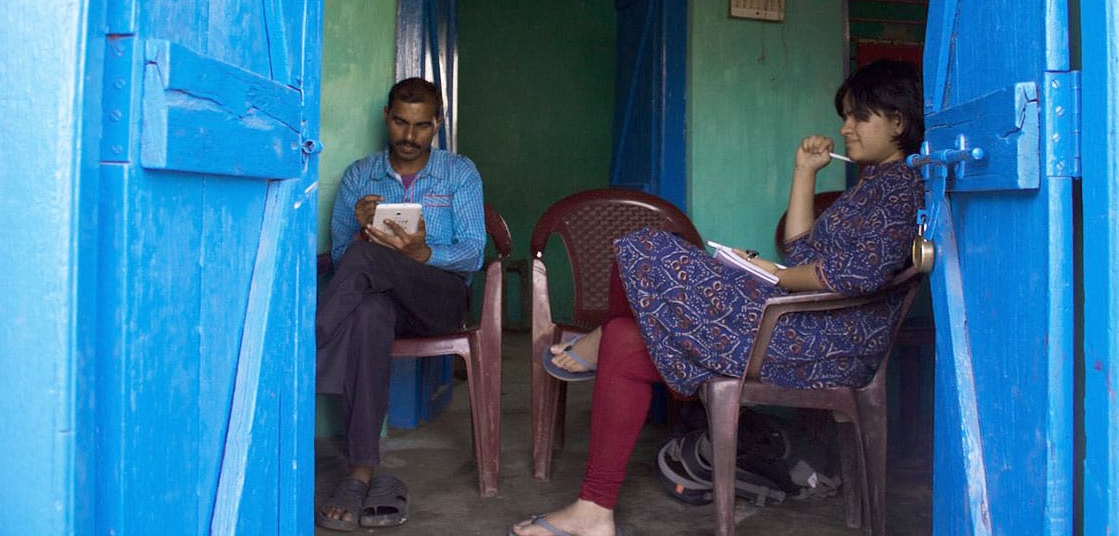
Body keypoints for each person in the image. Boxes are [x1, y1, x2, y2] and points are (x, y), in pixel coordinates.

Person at [513, 59, 924, 536]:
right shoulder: (874, 185)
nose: (844, 127)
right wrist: (803, 172)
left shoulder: (904, 189)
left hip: (819, 344)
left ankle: (600, 338)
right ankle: (594, 511)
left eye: (858, 117)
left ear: (898, 121)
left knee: (646, 245)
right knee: (625, 342)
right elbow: (800, 250)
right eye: (846, 115)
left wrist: (777, 276)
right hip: (798, 325)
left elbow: (855, 274)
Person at [316, 77, 485, 532]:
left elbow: (474, 250)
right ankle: (360, 473)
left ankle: (309, 347)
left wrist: (422, 254)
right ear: (386, 116)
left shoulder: (460, 173)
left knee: (368, 259)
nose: (409, 137)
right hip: (379, 300)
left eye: (422, 126)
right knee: (369, 310)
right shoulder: (359, 176)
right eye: (399, 123)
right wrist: (359, 227)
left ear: (437, 124)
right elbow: (341, 255)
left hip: (440, 295)